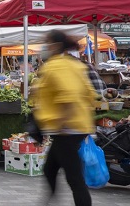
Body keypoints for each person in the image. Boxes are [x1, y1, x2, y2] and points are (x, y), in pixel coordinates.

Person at [30, 30, 96, 206]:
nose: (44, 47)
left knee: (74, 178)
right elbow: (90, 94)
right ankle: (49, 201)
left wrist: (62, 123)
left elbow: (69, 96)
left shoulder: (57, 66)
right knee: (50, 169)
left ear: (56, 46)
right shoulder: (74, 65)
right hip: (73, 126)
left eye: (47, 43)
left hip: (67, 129)